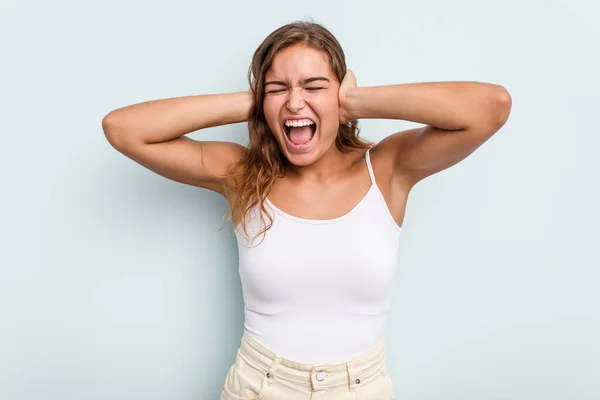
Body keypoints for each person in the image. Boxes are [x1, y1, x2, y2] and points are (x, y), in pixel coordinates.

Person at [102, 20, 511, 400]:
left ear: (340, 95)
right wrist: (256, 100)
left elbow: (490, 107)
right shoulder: (242, 173)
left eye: (314, 86)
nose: (295, 103)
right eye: (278, 88)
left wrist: (355, 100)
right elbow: (123, 129)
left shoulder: (387, 169)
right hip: (260, 387)